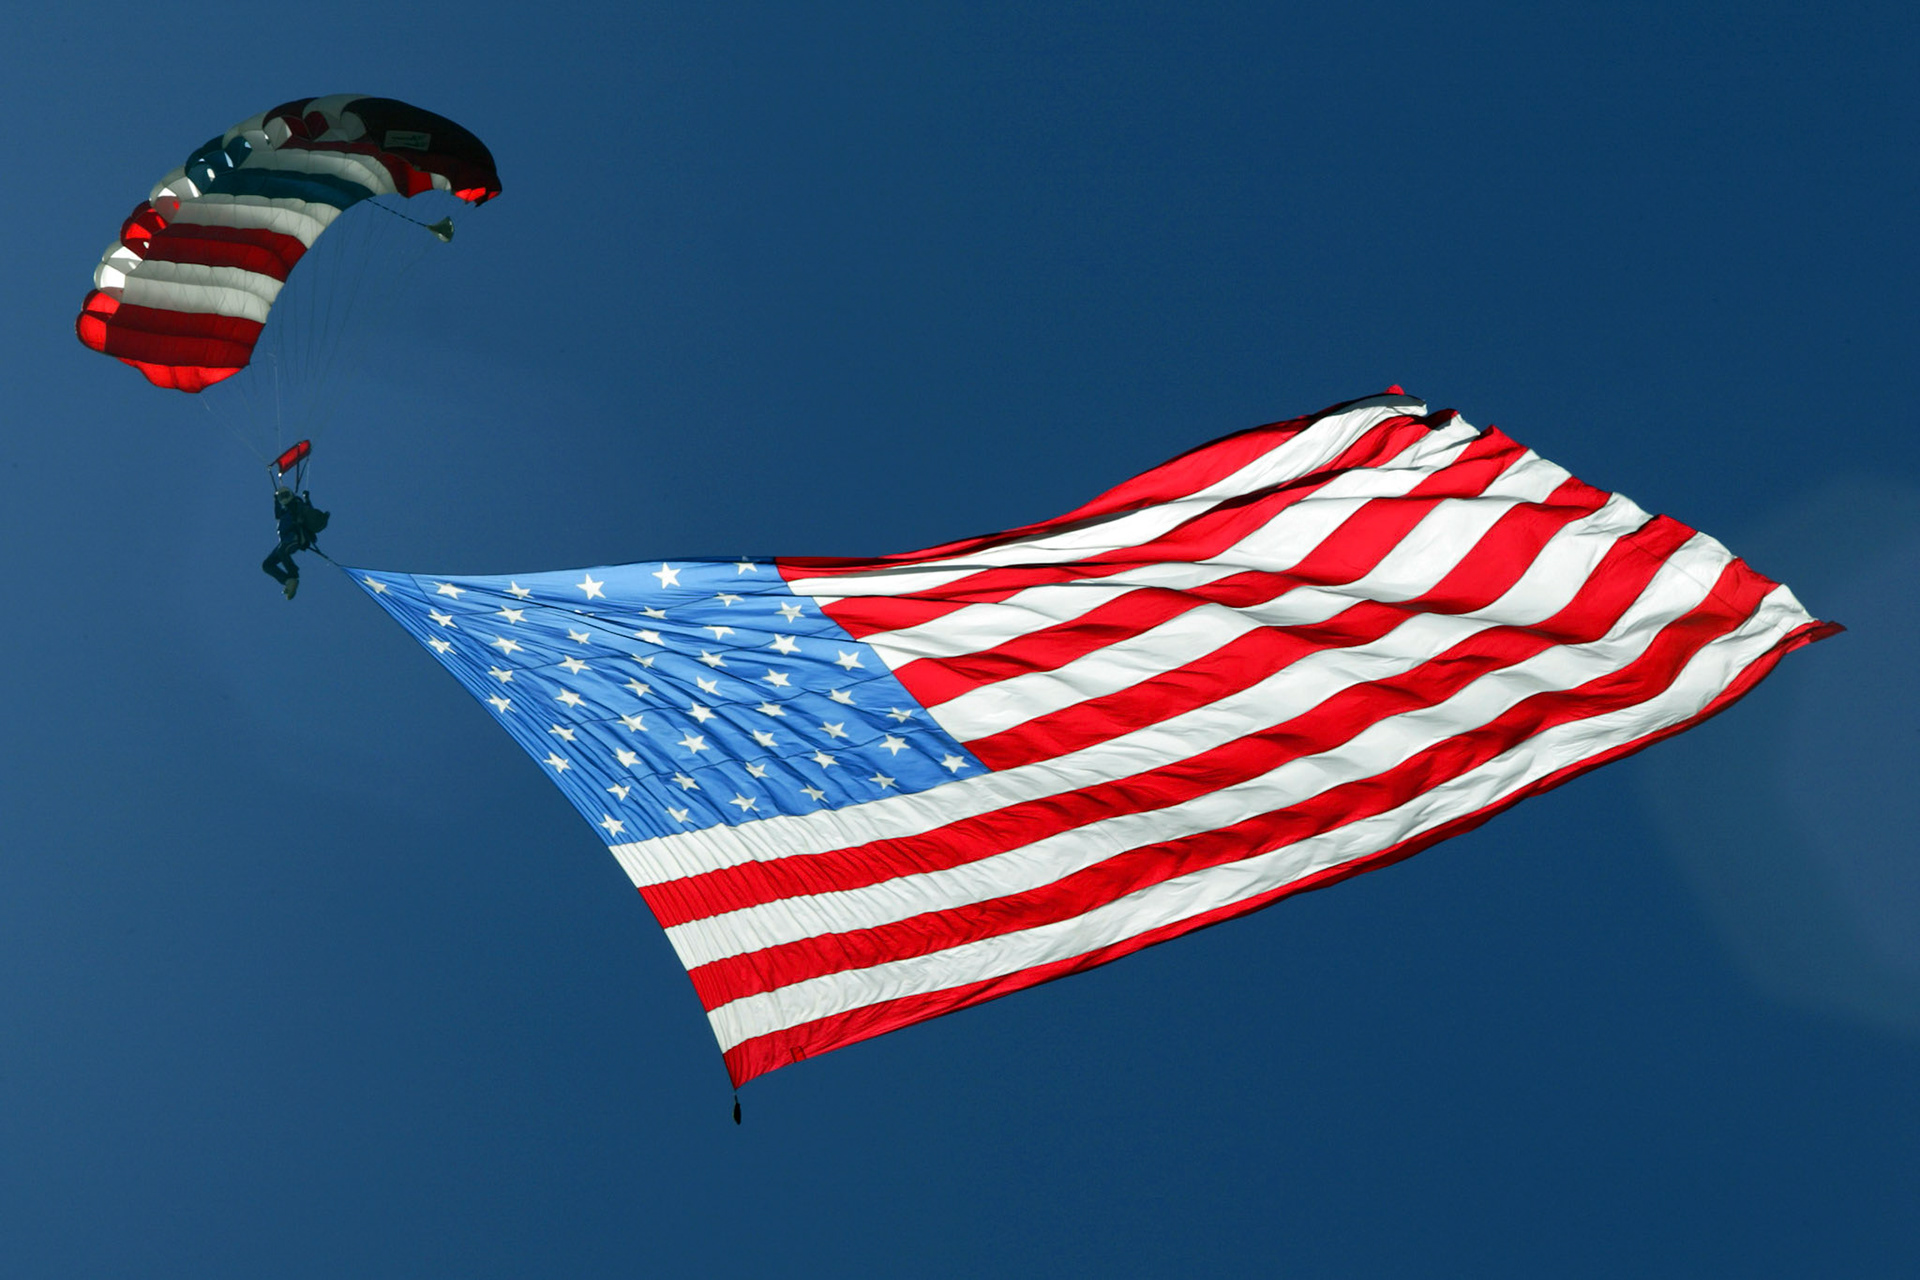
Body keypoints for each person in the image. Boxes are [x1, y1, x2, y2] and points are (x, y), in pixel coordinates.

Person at [261, 486, 330, 599]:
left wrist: (307, 499)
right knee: (267, 565)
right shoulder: (285, 511)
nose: (284, 498)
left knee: (282, 551)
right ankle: (288, 581)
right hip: (285, 540)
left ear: (291, 495)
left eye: (286, 495)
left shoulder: (297, 505)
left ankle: (293, 574)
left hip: (295, 536)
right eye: (281, 497)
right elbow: (277, 514)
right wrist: (275, 501)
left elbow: (309, 511)